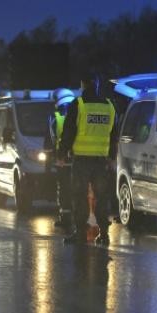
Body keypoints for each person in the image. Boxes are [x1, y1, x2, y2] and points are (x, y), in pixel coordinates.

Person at [57, 72, 116, 245]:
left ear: (83, 85)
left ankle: (81, 233)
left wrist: (62, 153)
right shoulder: (109, 106)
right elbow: (114, 135)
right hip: (101, 161)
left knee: (80, 196)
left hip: (82, 160)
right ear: (97, 85)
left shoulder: (79, 104)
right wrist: (112, 157)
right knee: (102, 197)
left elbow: (69, 131)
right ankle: (104, 234)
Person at [45, 88, 75, 231]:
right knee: (79, 189)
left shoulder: (55, 116)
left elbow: (51, 138)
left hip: (62, 159)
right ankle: (79, 217)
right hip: (79, 158)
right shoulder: (79, 113)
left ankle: (66, 218)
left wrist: (51, 158)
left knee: (64, 189)